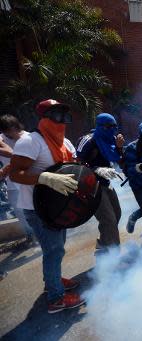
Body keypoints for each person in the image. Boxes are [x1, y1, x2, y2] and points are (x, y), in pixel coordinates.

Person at [9, 99, 84, 313]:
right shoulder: (30, 141)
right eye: (56, 115)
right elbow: (15, 174)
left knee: (56, 250)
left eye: (63, 115)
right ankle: (56, 298)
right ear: (43, 119)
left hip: (57, 206)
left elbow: (76, 167)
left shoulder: (66, 143)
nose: (61, 121)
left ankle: (52, 280)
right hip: (37, 209)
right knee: (53, 250)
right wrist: (45, 178)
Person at [76, 113, 124, 252]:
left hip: (105, 182)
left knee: (116, 214)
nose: (112, 130)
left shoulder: (112, 140)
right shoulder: (87, 141)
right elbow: (76, 165)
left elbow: (120, 161)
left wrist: (120, 147)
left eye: (115, 126)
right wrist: (95, 169)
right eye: (109, 126)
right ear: (100, 126)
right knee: (109, 219)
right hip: (91, 185)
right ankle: (115, 256)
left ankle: (104, 242)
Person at [0, 115, 34, 244]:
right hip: (12, 184)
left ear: (14, 127)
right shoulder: (1, 138)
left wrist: (7, 168)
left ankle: (42, 235)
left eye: (7, 131)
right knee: (19, 212)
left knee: (33, 209)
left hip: (28, 180)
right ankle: (30, 236)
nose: (5, 134)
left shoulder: (28, 137)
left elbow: (12, 154)